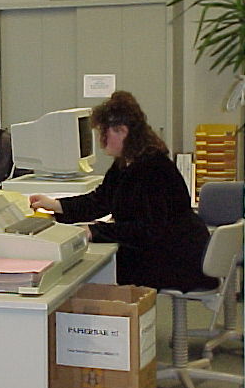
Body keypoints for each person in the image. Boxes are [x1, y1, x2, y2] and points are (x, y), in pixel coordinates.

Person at [29, 91, 216, 293]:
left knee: (91, 270)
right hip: (166, 250)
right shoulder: (128, 162)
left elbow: (149, 229)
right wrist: (55, 205)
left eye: (104, 133)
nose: (101, 140)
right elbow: (100, 200)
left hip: (177, 259)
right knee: (93, 262)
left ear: (121, 131)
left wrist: (96, 231)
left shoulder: (152, 168)